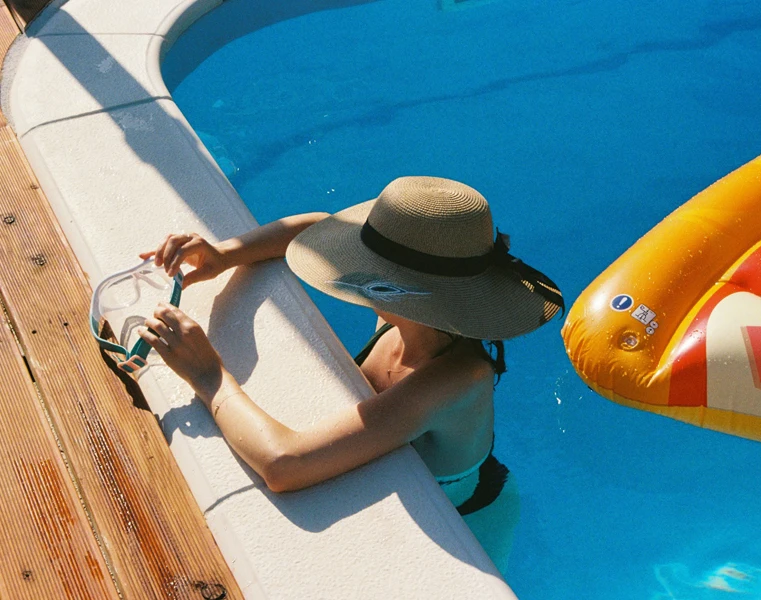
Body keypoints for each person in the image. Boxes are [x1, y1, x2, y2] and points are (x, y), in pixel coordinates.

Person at [138, 176, 563, 568]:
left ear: (400, 289)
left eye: (368, 266)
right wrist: (225, 253)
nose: (350, 267)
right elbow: (312, 228)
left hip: (470, 514)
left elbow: (285, 466)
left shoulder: (456, 379)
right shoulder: (409, 318)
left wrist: (207, 373)